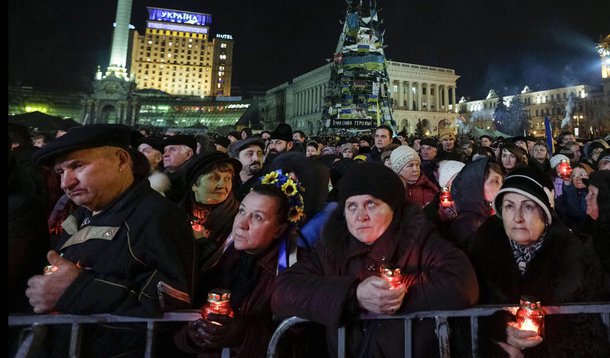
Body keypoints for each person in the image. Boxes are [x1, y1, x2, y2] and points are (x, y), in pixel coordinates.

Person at [271, 163, 479, 357]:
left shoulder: (421, 238)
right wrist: (354, 295)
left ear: (393, 208)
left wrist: (397, 292)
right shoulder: (332, 246)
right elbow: (284, 291)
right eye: (352, 206)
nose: (360, 216)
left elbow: (462, 283)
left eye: (371, 204)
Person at [25, 124, 196, 356]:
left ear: (121, 161)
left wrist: (75, 289)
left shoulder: (158, 217)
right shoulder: (83, 213)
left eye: (78, 166)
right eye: (60, 172)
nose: (66, 182)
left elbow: (170, 310)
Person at [469, 166, 610, 357]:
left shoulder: (575, 257)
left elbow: (589, 332)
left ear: (544, 214)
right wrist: (499, 332)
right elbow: (464, 318)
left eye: (528, 206)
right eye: (509, 206)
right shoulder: (482, 250)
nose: (517, 217)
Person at [174, 170, 305, 358]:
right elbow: (180, 329)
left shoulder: (295, 271)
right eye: (242, 211)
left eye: (257, 217)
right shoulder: (220, 260)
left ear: (279, 229)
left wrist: (242, 334)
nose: (242, 224)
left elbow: (298, 343)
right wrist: (192, 336)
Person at [179, 151, 242, 304]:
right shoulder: (175, 215)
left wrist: (203, 243)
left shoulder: (239, 218)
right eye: (214, 178)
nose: (223, 185)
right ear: (194, 185)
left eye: (227, 179)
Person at [450, 157, 504, 251]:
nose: (502, 186)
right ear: (476, 185)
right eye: (495, 181)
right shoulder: (467, 225)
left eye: (501, 181)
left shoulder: (484, 212)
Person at [584, 170, 610, 277]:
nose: (587, 198)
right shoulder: (595, 225)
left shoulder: (606, 238)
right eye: (588, 192)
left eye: (593, 194)